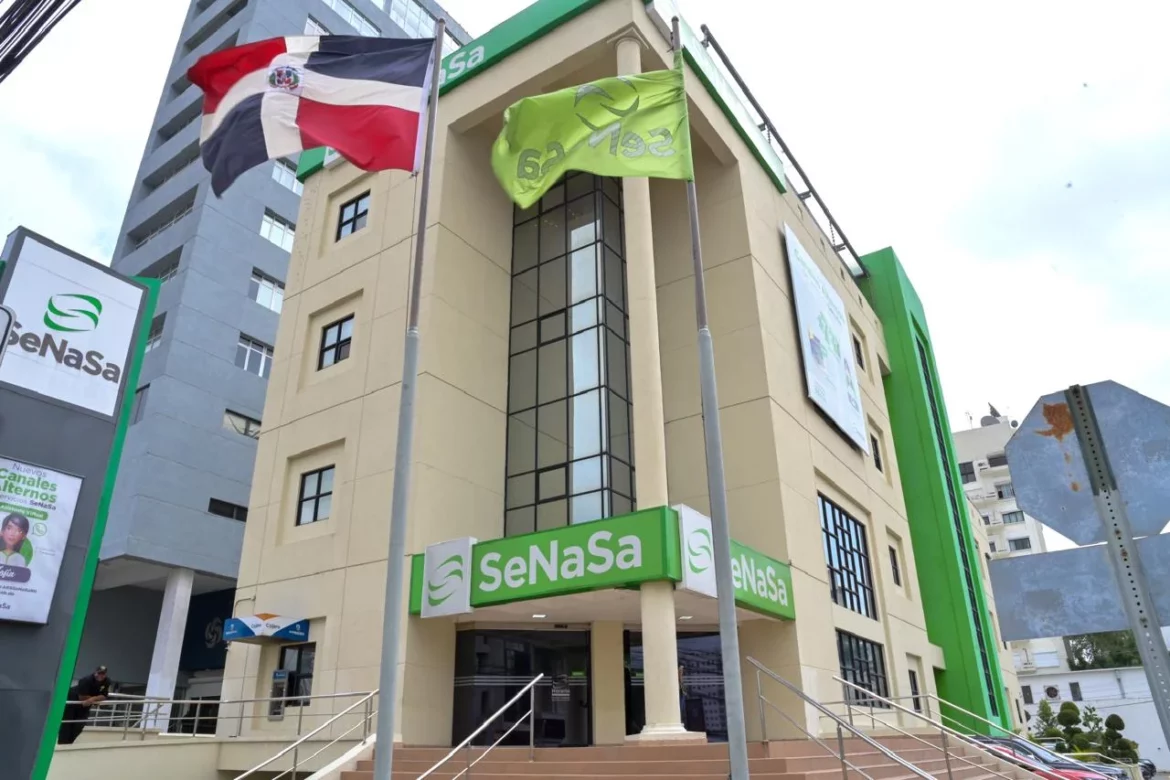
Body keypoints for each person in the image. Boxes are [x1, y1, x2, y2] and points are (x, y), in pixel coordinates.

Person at [58, 666, 111, 745]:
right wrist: (96, 699)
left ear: (105, 675)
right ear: (95, 672)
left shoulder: (107, 681)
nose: (100, 676)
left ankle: (69, 743)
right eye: (99, 673)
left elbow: (104, 696)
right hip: (74, 700)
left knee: (80, 725)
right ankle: (62, 743)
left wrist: (93, 699)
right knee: (67, 723)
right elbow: (82, 697)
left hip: (86, 704)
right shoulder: (86, 680)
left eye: (103, 674)